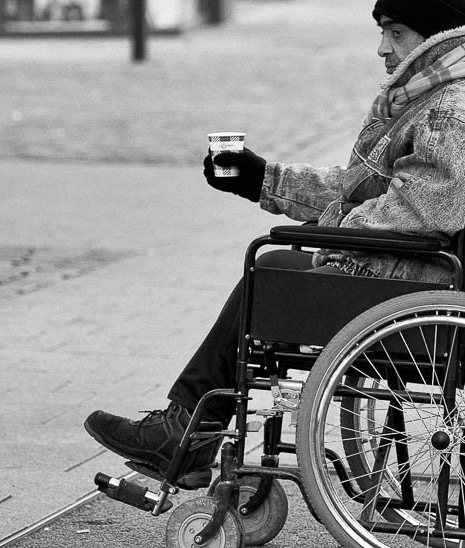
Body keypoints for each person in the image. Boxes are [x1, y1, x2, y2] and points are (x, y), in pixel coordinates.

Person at [84, 0, 465, 489]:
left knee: (268, 270)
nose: (382, 48)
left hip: (412, 289)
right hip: (407, 277)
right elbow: (360, 190)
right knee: (274, 266)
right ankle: (188, 429)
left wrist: (331, 233)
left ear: (436, 35)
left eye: (395, 32)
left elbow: (421, 212)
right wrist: (263, 178)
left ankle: (186, 431)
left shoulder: (449, 110)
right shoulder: (427, 98)